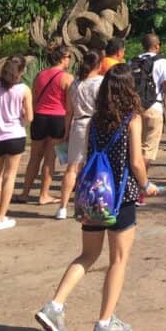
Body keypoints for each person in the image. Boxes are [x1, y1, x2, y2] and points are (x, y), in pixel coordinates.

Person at [35, 65, 159, 331]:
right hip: (119, 198)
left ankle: (54, 306)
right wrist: (146, 185)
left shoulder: (93, 122)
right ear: (130, 88)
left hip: (92, 195)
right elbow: (136, 162)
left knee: (87, 255)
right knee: (118, 260)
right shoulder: (131, 119)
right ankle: (105, 322)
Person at [18, 46, 74, 204]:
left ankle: (25, 193)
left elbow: (34, 99)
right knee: (50, 158)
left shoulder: (40, 75)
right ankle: (44, 194)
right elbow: (69, 107)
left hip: (40, 117)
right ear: (62, 58)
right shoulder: (67, 78)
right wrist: (68, 128)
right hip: (57, 118)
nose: (69, 59)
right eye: (68, 56)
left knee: (34, 157)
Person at [56, 50, 104, 220]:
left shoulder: (75, 83)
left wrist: (66, 132)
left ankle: (62, 207)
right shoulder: (100, 82)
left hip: (78, 124)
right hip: (95, 124)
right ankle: (86, 203)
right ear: (98, 64)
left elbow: (68, 111)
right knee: (93, 166)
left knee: (72, 167)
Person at [0, 55, 33, 230]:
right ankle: (1, 217)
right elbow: (29, 117)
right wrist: (21, 112)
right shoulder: (24, 90)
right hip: (15, 135)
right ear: (21, 72)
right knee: (10, 177)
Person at [131, 33, 166, 194]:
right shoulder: (163, 62)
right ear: (157, 46)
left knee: (134, 148)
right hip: (153, 108)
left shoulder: (133, 61)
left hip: (134, 109)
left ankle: (136, 185)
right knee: (147, 150)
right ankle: (139, 186)